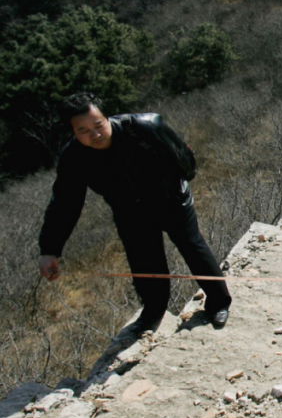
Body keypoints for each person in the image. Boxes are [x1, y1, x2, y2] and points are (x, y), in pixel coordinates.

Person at [38, 92, 232, 332]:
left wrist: (175, 188)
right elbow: (65, 203)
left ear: (107, 117)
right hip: (130, 210)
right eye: (84, 131)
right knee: (144, 263)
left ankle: (219, 302)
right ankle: (153, 312)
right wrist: (50, 249)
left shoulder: (144, 128)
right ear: (73, 132)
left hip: (170, 199)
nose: (95, 134)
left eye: (98, 125)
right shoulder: (74, 158)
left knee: (191, 246)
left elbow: (184, 160)